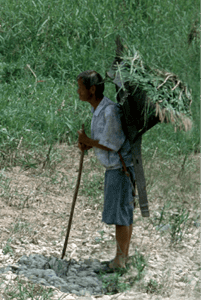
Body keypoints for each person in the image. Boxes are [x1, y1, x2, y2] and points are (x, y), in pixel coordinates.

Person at [76, 70, 135, 271]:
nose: (78, 91)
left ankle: (120, 260)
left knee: (121, 215)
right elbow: (105, 140)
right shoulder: (98, 110)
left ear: (92, 89)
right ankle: (122, 258)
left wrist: (87, 141)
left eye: (80, 88)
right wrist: (89, 144)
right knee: (121, 213)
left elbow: (112, 143)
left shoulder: (110, 111)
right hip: (114, 168)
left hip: (120, 168)